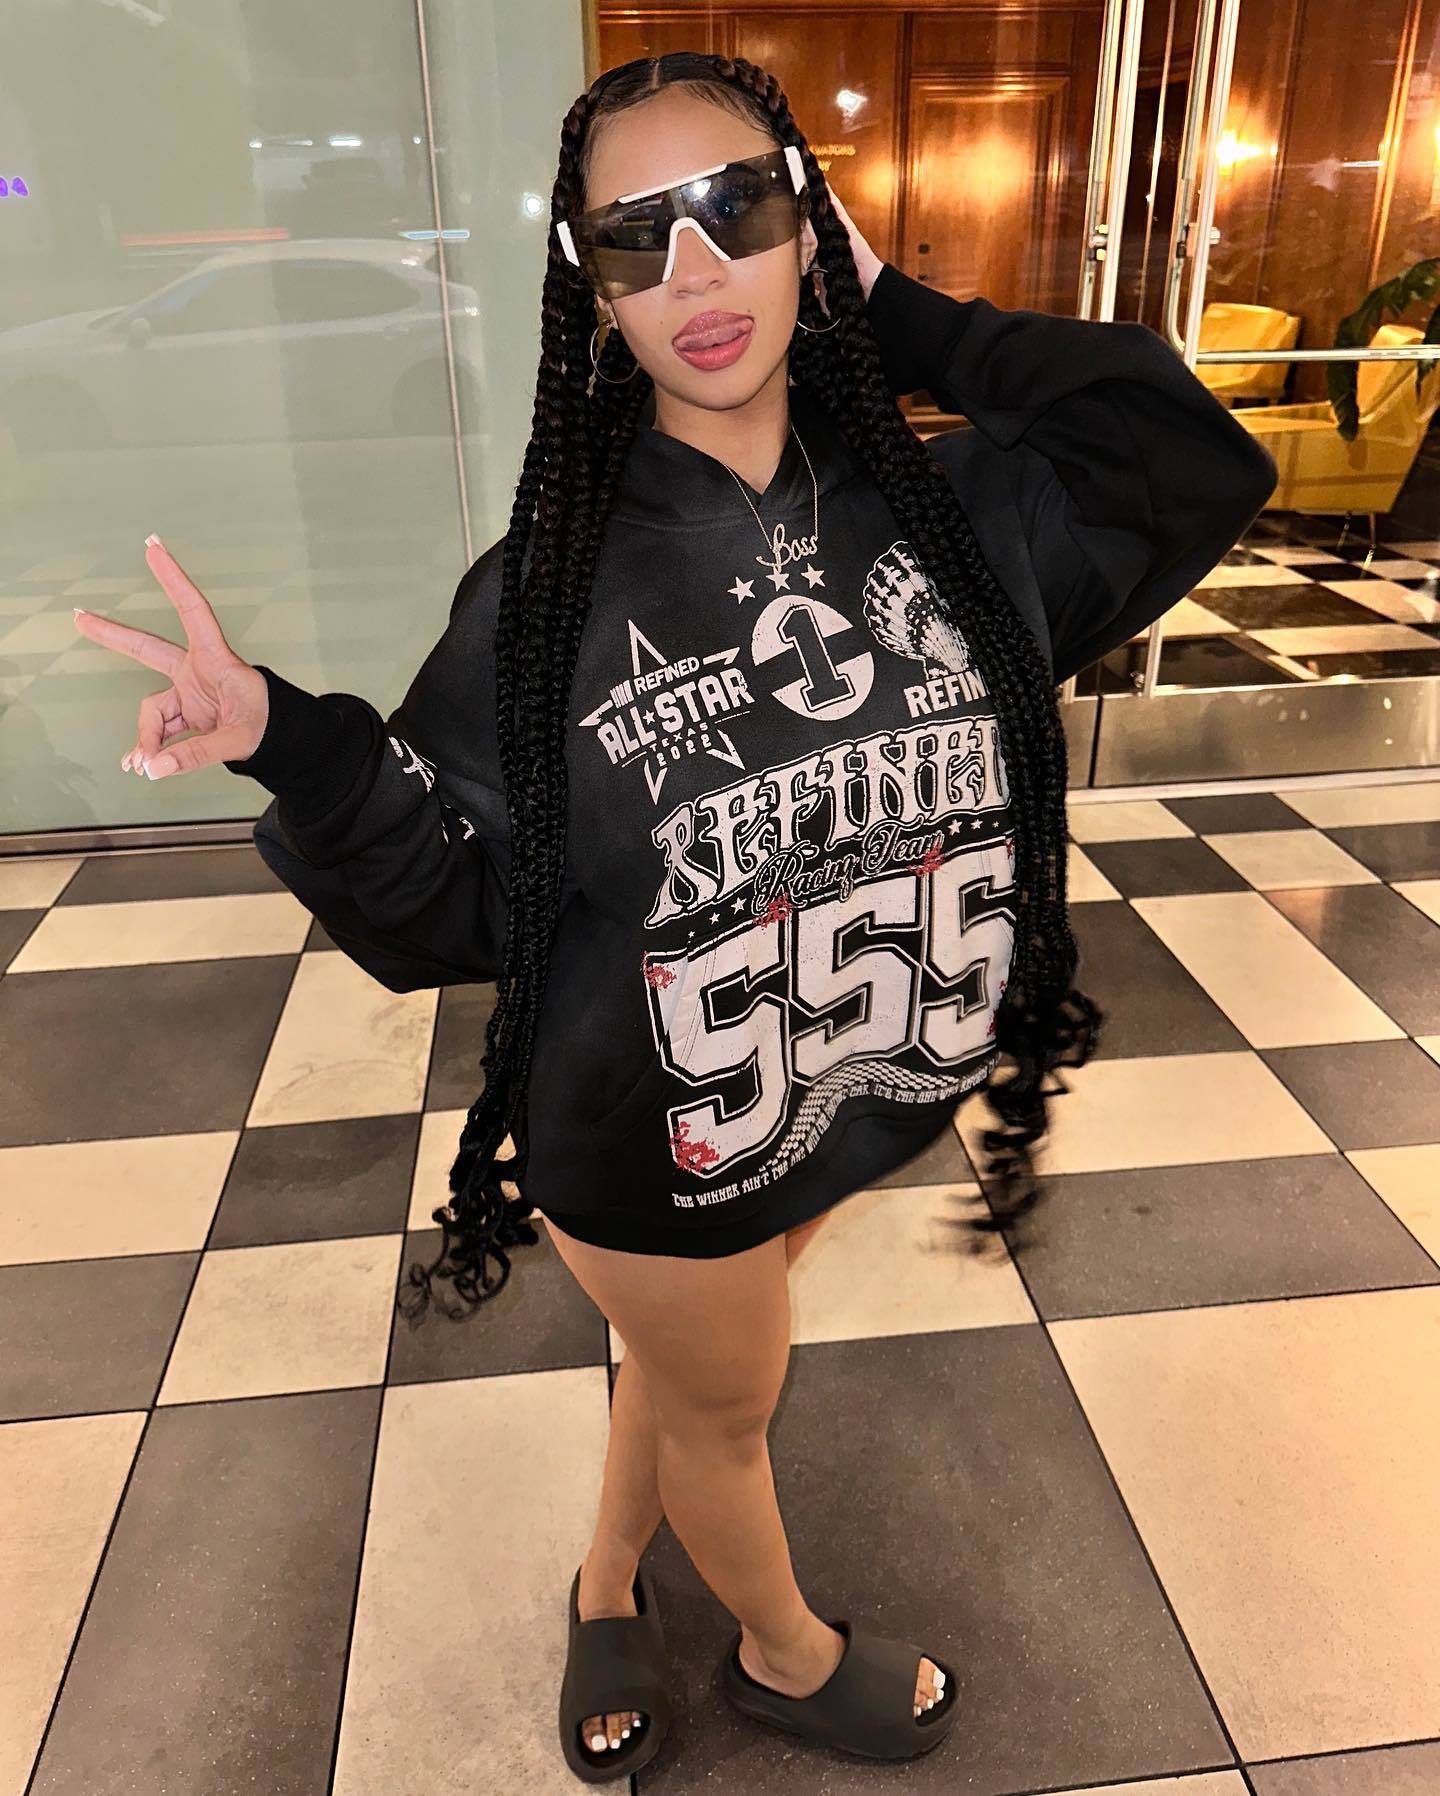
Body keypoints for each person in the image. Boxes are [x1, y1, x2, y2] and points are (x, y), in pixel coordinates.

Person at [74, 50, 1276, 1783]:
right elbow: (453, 899)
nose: (697, 267)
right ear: (595, 290)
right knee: (726, 1403)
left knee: (691, 1367)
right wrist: (290, 739)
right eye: (639, 236)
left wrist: (903, 313)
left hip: (835, 1070)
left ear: (808, 229)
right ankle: (787, 1659)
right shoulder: (554, 589)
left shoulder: (952, 510)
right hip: (654, 1128)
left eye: (738, 207)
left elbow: (1178, 449)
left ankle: (604, 1582)